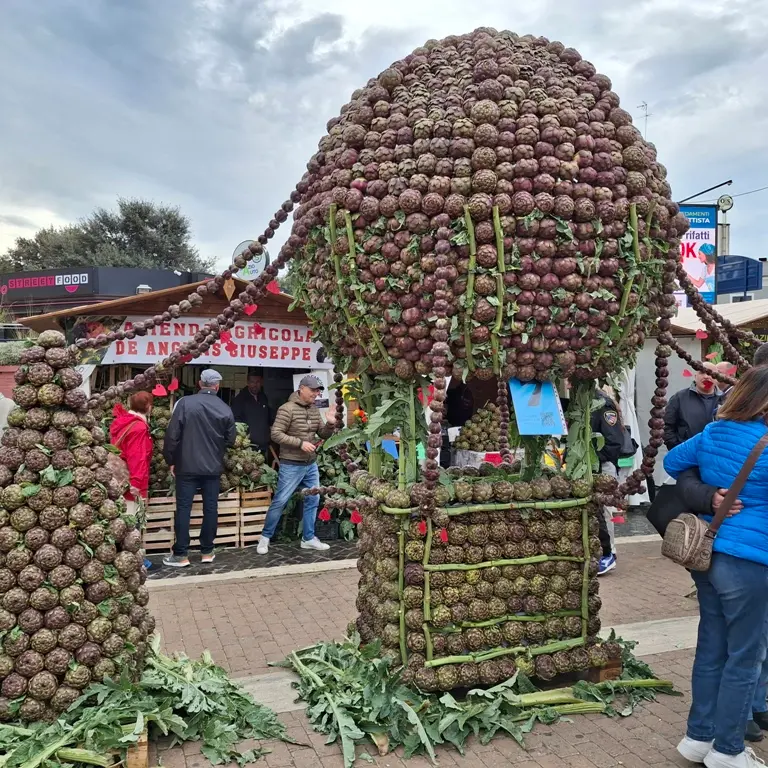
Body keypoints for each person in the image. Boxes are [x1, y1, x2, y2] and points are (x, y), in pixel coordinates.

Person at [664, 366, 768, 767]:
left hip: (709, 557)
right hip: (752, 560)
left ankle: (698, 738)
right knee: (744, 657)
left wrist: (708, 493)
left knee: (711, 649)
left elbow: (673, 462)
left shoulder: (714, 432)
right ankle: (728, 750)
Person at [162, 370, 236, 568]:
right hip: (212, 468)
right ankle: (207, 551)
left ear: (199, 383)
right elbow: (231, 439)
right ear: (217, 386)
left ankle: (181, 554)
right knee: (211, 508)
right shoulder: (225, 408)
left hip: (186, 467)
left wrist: (171, 459)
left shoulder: (185, 403)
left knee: (184, 508)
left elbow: (172, 436)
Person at [257, 375, 336, 555]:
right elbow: (276, 434)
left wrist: (330, 424)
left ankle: (308, 538)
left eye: (318, 391)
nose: (316, 394)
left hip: (310, 464)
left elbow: (322, 434)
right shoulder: (287, 409)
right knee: (281, 500)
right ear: (301, 389)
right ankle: (265, 537)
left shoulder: (315, 410)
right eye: (313, 390)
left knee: (313, 499)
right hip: (291, 464)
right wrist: (300, 443)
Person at [591, 388, 636, 576]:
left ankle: (609, 553)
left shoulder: (603, 404)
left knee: (605, 508)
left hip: (602, 465)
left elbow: (613, 440)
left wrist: (596, 457)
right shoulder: (581, 403)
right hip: (589, 466)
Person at [110, 392, 154, 570]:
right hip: (131, 482)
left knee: (122, 519)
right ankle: (134, 561)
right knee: (131, 521)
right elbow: (137, 457)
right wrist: (136, 483)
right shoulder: (139, 428)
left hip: (118, 479)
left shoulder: (122, 421)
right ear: (148, 407)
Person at [664, 363, 721, 450]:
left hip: (717, 455)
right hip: (686, 455)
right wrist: (677, 448)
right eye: (702, 373)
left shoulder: (725, 400)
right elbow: (667, 426)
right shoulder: (679, 398)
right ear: (695, 376)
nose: (706, 376)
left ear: (717, 379)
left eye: (711, 374)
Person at [232, 371, 271, 456]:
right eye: (252, 382)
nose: (255, 385)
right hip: (248, 446)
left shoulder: (263, 397)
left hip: (263, 445)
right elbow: (235, 420)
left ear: (261, 382)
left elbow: (268, 416)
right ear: (248, 382)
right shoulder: (240, 399)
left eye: (257, 382)